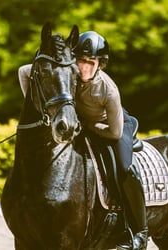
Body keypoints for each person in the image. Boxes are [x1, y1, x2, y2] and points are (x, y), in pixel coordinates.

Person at [17, 30, 148, 250]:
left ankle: (140, 232)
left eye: (91, 62)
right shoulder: (67, 73)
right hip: (80, 124)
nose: (84, 68)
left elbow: (114, 133)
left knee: (126, 167)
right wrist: (41, 108)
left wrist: (87, 126)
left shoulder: (109, 90)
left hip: (111, 127)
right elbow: (23, 71)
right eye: (80, 61)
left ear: (100, 64)